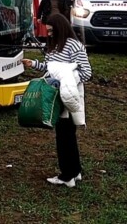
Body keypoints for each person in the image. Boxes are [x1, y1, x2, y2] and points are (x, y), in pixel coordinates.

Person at [22, 13, 92, 188]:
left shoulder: (74, 46)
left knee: (64, 136)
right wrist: (33, 64)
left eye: (52, 31)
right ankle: (75, 172)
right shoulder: (53, 46)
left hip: (67, 96)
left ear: (60, 29)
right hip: (55, 95)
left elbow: (86, 72)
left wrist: (66, 79)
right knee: (67, 135)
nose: (49, 34)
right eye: (48, 31)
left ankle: (66, 175)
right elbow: (49, 67)